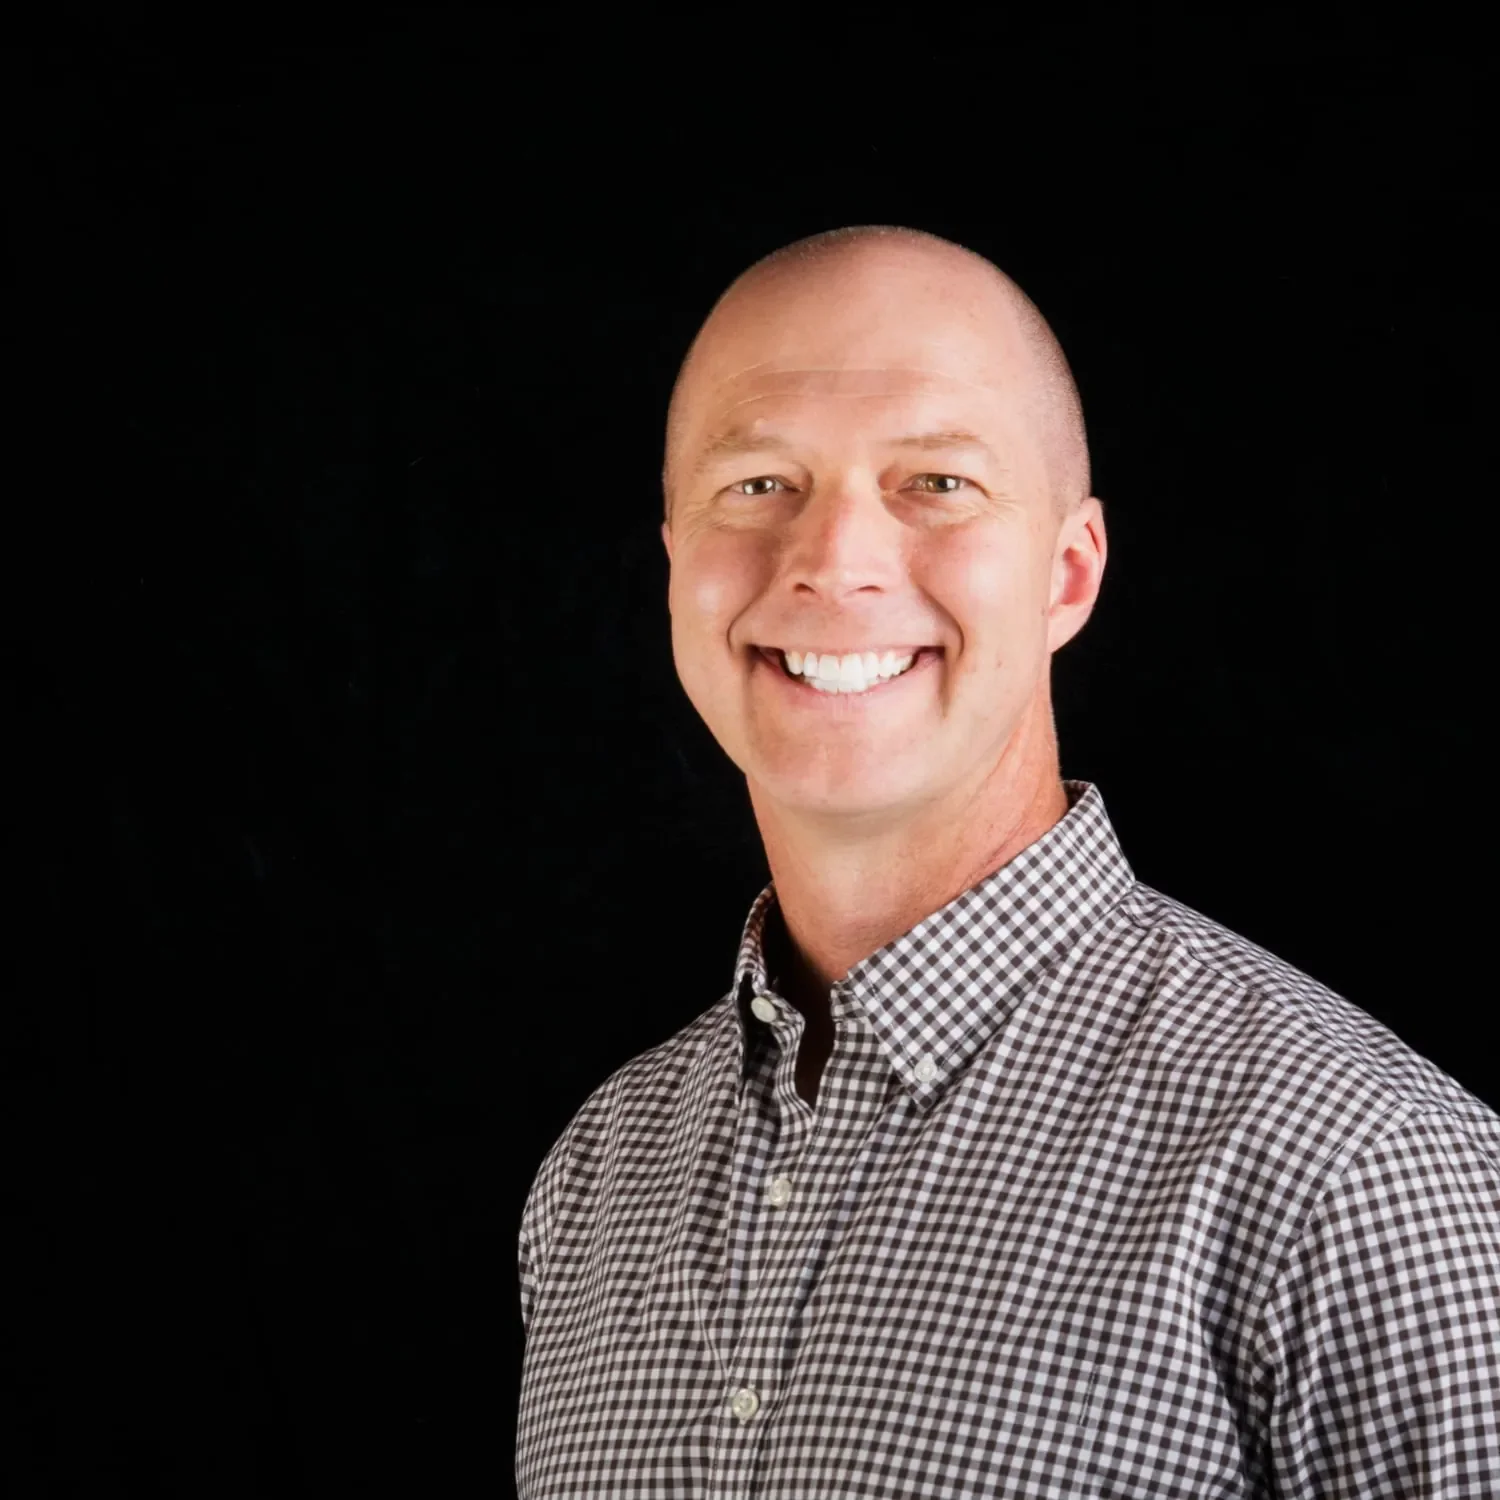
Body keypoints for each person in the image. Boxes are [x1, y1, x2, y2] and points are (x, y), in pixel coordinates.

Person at [514, 225, 1500, 1497]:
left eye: (935, 483)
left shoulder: (1359, 1172)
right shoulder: (598, 1179)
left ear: (1068, 573)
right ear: (673, 568)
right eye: (758, 485)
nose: (833, 563)